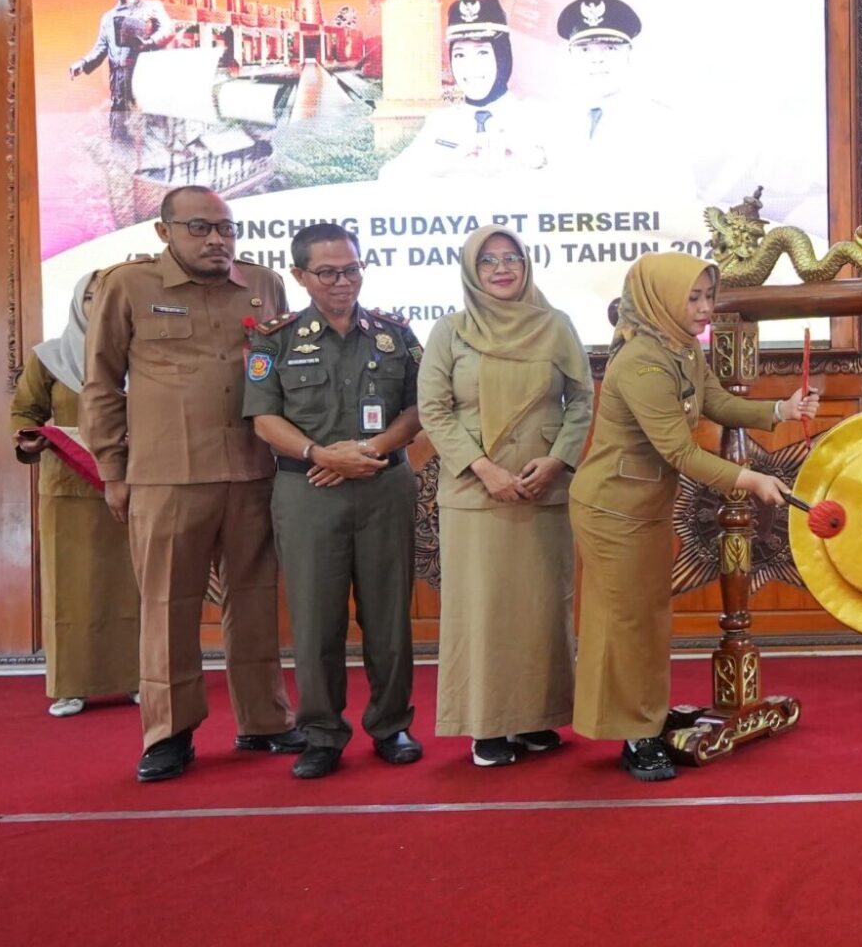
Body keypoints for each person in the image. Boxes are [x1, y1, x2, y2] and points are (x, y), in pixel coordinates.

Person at [82, 185, 302, 782]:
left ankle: (266, 720)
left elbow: (281, 376)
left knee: (255, 602)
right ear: (164, 232)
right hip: (166, 477)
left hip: (254, 469)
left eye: (226, 229)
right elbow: (101, 384)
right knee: (168, 606)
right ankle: (169, 733)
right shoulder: (127, 286)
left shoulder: (262, 285)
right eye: (200, 228)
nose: (217, 240)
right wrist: (111, 470)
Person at [570, 254, 817, 781]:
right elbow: (680, 453)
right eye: (695, 299)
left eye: (709, 297)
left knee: (649, 617)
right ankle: (634, 735)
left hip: (644, 505)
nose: (707, 310)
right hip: (612, 507)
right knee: (626, 622)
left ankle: (646, 714)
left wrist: (780, 411)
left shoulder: (679, 348)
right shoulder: (640, 362)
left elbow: (716, 402)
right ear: (661, 299)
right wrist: (750, 480)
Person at [244, 224, 425, 779]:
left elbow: (418, 411)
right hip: (308, 491)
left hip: (383, 486)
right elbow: (263, 418)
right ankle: (322, 733)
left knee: (388, 615)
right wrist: (320, 454)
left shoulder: (393, 334)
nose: (343, 281)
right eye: (327, 272)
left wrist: (368, 450)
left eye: (351, 269)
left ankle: (391, 724)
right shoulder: (274, 340)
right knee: (316, 618)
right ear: (300, 276)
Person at [417, 226, 594, 766]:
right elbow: (434, 411)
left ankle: (538, 717)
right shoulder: (451, 331)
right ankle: (488, 726)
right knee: (484, 611)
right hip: (477, 494)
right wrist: (482, 468)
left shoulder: (555, 325)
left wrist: (559, 459)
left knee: (543, 609)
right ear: (472, 270)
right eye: (488, 260)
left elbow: (581, 400)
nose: (501, 268)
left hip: (543, 489)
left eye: (511, 258)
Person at [11, 272, 141, 719]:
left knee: (136, 588)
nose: (97, 303)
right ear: (76, 300)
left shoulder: (141, 353)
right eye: (90, 295)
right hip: (68, 490)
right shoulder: (48, 358)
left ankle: (138, 679)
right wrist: (30, 437)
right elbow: (25, 413)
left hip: (133, 487)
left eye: (106, 296)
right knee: (70, 592)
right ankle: (71, 685)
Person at [548, 0, 699, 211]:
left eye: (610, 48)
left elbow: (680, 211)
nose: (596, 58)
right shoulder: (550, 119)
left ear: (629, 53)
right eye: (584, 49)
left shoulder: (661, 123)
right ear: (570, 56)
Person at [381, 0, 545, 181]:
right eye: (459, 55)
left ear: (503, 56)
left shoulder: (536, 117)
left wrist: (535, 163)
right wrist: (444, 166)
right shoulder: (440, 123)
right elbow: (388, 177)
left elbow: (574, 179)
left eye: (482, 52)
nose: (470, 66)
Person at [67, 0, 174, 111]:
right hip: (118, 75)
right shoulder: (108, 17)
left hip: (144, 70)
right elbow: (101, 47)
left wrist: (149, 42)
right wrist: (83, 63)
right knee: (120, 116)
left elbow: (168, 29)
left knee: (149, 114)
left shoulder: (151, 7)